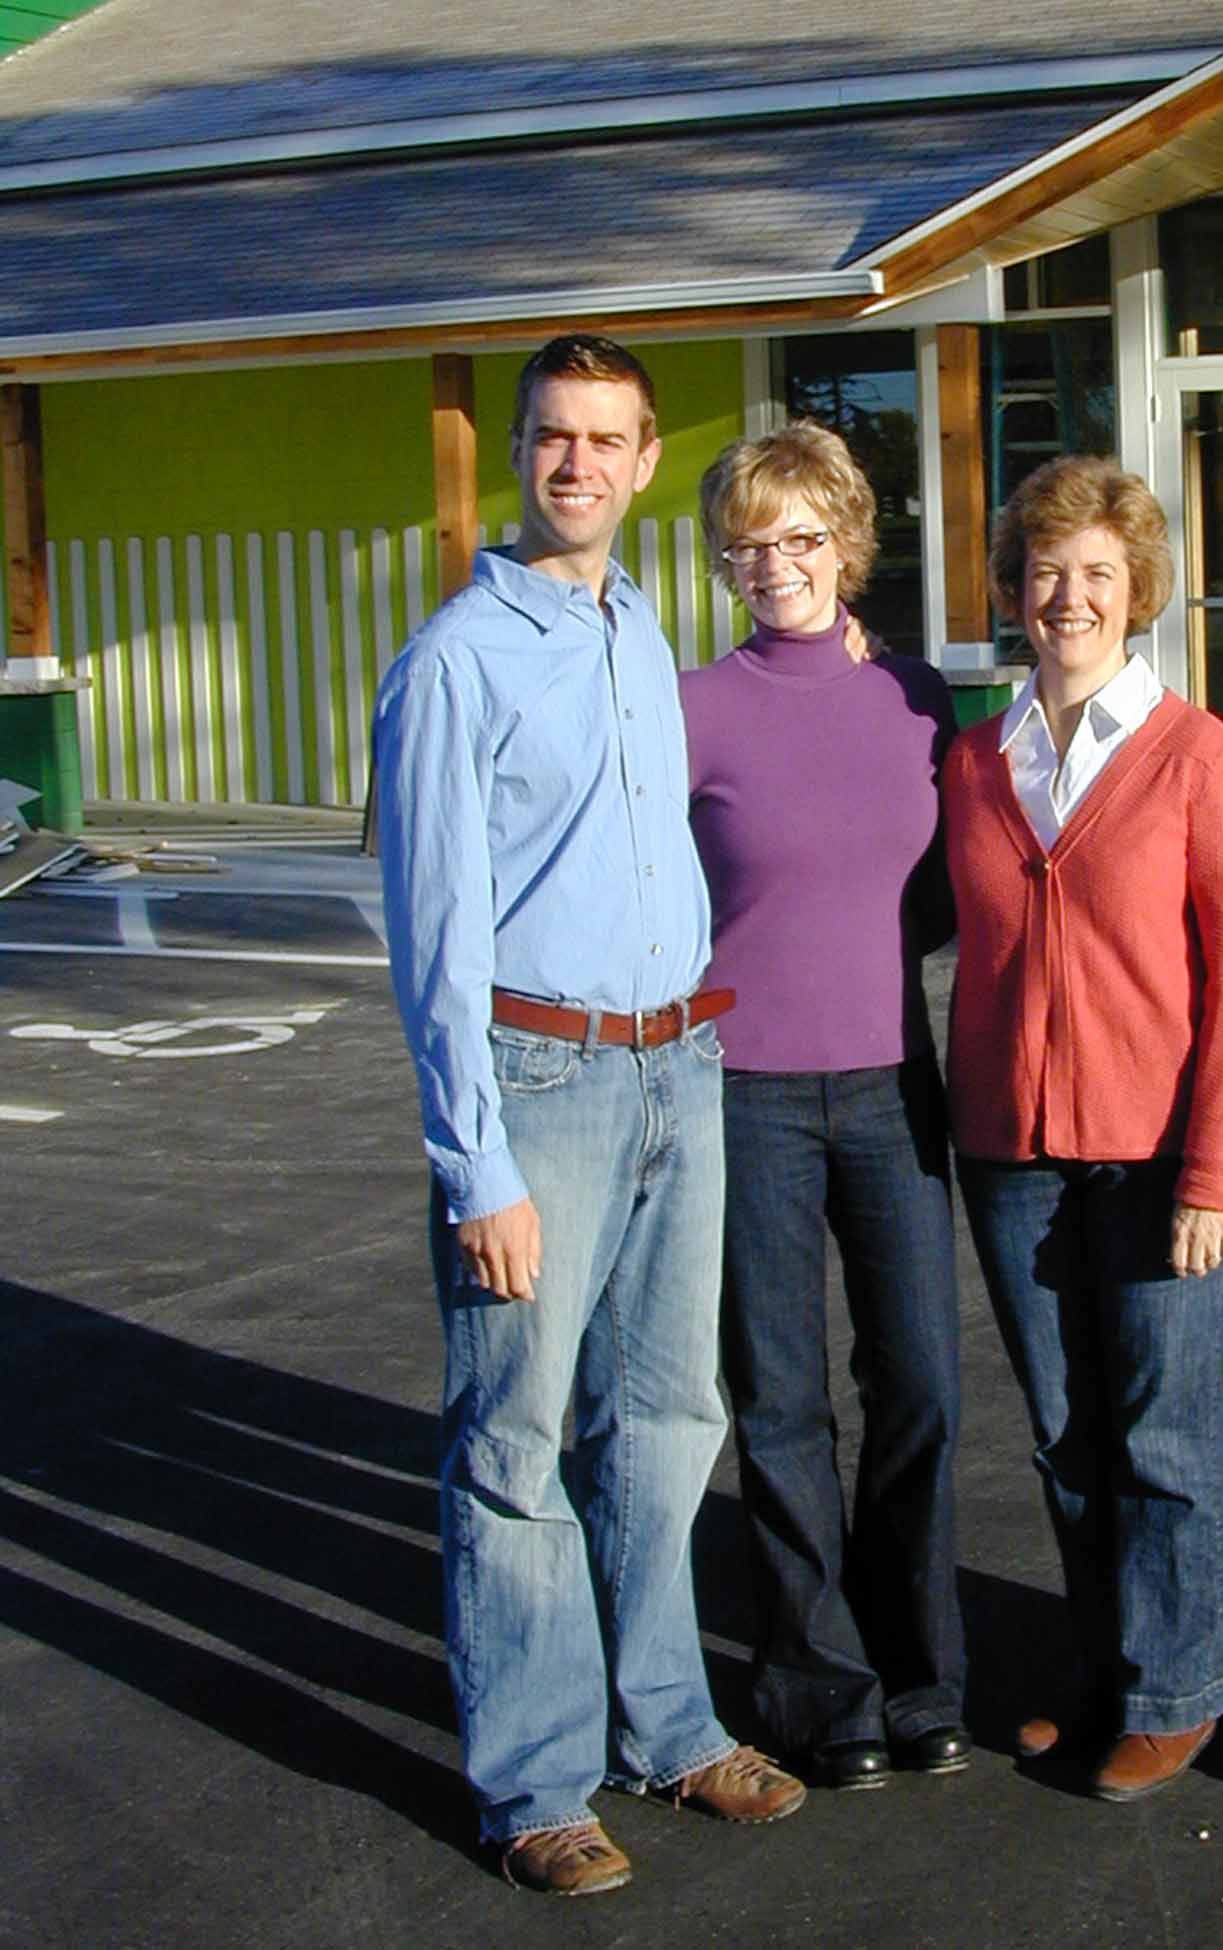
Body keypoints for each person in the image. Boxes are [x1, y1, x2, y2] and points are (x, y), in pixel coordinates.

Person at [372, 334, 805, 1899]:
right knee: (515, 1443)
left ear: (642, 461)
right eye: (554, 435)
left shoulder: (636, 628)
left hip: (675, 1068)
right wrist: (473, 1162)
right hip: (540, 1081)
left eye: (606, 439)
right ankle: (536, 1783)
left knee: (670, 1417)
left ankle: (667, 1722)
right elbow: (435, 936)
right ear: (518, 450)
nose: (578, 464)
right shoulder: (454, 662)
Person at [942, 455, 1223, 1804]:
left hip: (1155, 1160)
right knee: (1065, 1435)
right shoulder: (976, 760)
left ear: (1137, 589)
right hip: (1010, 1157)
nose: (1068, 596)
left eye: (1096, 572)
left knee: (1162, 1436)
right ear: (1012, 588)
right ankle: (1109, 1670)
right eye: (1045, 571)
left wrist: (1215, 1171)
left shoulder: (1195, 754)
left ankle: (1177, 1692)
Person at [681, 421, 968, 1791]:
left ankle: (920, 1672)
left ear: (847, 543)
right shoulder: (693, 705)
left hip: (892, 1081)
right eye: (748, 543)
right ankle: (817, 1683)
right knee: (782, 1398)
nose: (775, 563)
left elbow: (944, 897)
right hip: (745, 1093)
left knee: (919, 1380)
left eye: (801, 536)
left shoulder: (915, 697)